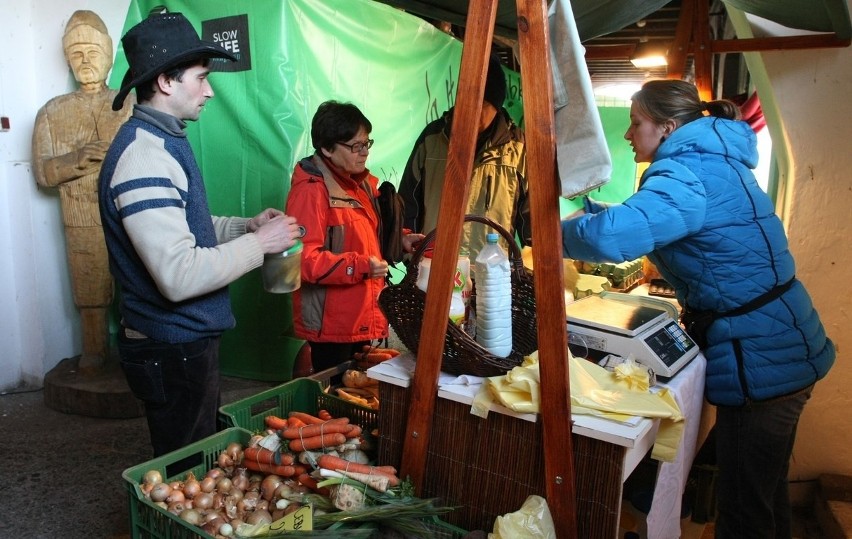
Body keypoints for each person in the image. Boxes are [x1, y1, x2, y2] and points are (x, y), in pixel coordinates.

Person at [561, 79, 835, 538]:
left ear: (667, 128)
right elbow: (667, 218)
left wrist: (551, 233)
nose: (629, 135)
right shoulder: (713, 161)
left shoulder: (685, 174)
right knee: (765, 496)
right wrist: (594, 210)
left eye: (636, 123)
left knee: (744, 511)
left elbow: (614, 237)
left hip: (763, 355)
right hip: (787, 339)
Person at [98, 12, 302, 457]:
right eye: (202, 77)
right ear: (167, 83)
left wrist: (244, 227)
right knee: (186, 468)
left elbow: (185, 230)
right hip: (170, 349)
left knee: (199, 457)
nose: (209, 90)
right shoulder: (143, 158)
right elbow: (178, 275)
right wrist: (260, 245)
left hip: (184, 344)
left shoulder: (163, 141)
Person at [284, 101, 423, 375]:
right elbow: (303, 261)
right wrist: (359, 267)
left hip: (361, 314)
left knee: (357, 395)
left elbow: (367, 234)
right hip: (332, 324)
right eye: (355, 146)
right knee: (335, 400)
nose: (364, 153)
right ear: (326, 148)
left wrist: (402, 240)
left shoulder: (360, 185)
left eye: (366, 143)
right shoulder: (310, 192)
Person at [32, 10, 133, 372]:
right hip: (80, 216)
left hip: (129, 209)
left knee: (137, 281)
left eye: (92, 51)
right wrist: (76, 158)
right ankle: (94, 352)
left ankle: (137, 353)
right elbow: (43, 172)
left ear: (107, 55)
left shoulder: (129, 104)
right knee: (90, 286)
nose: (85, 60)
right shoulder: (51, 112)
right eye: (76, 54)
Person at [398, 53, 531, 264]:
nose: (473, 111)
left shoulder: (519, 148)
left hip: (491, 275)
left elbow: (530, 219)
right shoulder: (433, 139)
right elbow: (407, 203)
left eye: (483, 105)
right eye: (468, 101)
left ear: (496, 107)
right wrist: (410, 255)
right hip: (434, 269)